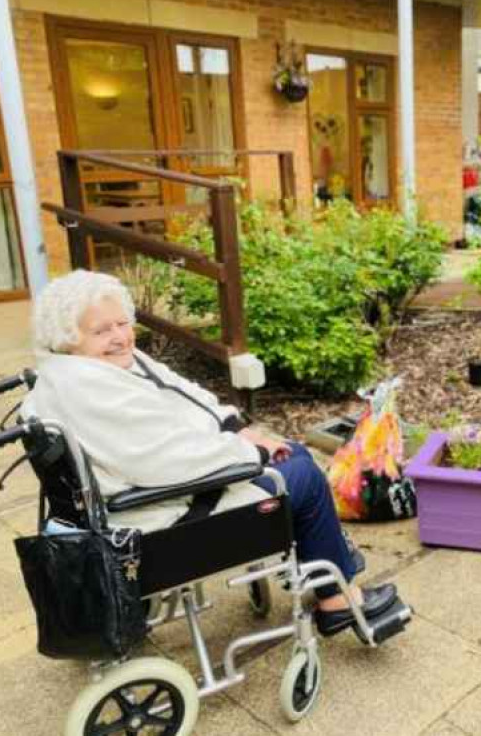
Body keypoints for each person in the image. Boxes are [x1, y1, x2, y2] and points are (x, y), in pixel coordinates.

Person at [25, 270, 397, 637]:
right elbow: (165, 462)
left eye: (122, 323)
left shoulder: (90, 370)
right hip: (165, 515)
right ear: (68, 339)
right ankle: (337, 601)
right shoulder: (92, 389)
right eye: (101, 330)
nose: (120, 337)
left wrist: (235, 428)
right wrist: (251, 454)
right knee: (306, 476)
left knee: (292, 453)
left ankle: (324, 556)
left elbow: (184, 394)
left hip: (162, 492)